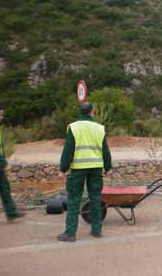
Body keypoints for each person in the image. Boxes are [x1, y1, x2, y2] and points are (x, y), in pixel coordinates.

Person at [57, 102, 112, 242]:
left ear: (80, 112)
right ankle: (96, 230)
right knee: (95, 198)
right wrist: (108, 168)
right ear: (92, 111)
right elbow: (105, 150)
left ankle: (70, 234)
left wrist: (63, 169)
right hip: (95, 168)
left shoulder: (74, 128)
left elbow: (68, 150)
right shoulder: (100, 128)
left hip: (78, 169)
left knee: (74, 199)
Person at [0, 104, 26, 225]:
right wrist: (4, 162)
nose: (2, 117)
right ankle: (12, 213)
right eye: (1, 114)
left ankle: (12, 213)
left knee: (4, 189)